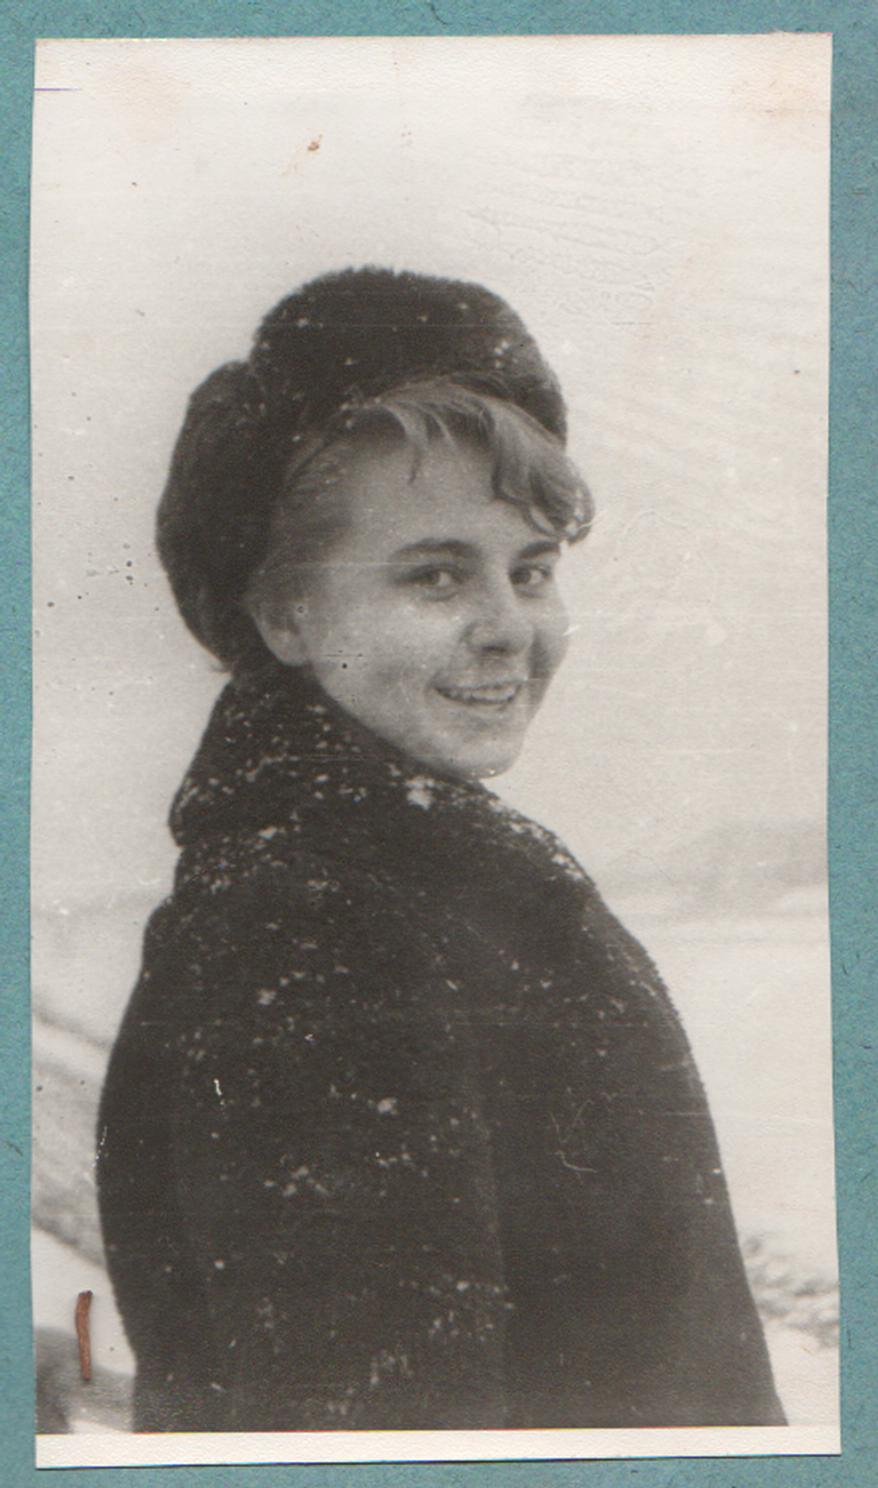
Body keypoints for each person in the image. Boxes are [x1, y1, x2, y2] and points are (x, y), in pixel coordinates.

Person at [96, 267, 785, 1433]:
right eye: (434, 575)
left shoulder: (398, 884)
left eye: (530, 570)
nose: (507, 626)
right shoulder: (316, 927)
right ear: (284, 613)